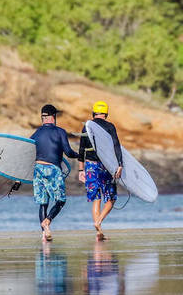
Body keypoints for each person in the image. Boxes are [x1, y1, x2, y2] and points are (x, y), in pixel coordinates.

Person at [30, 104, 78, 241]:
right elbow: (68, 152)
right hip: (53, 169)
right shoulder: (60, 132)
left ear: (43, 118)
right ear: (53, 117)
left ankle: (44, 234)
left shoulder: (35, 133)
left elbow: (27, 154)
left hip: (38, 168)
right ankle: (48, 221)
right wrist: (79, 155)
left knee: (43, 202)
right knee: (61, 200)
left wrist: (17, 179)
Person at [78, 100, 123, 241]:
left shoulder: (86, 127)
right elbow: (116, 146)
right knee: (111, 198)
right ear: (106, 114)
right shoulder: (110, 126)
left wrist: (81, 170)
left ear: (94, 113)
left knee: (96, 199)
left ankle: (99, 233)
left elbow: (81, 150)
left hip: (90, 166)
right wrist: (120, 164)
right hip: (106, 166)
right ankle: (98, 222)